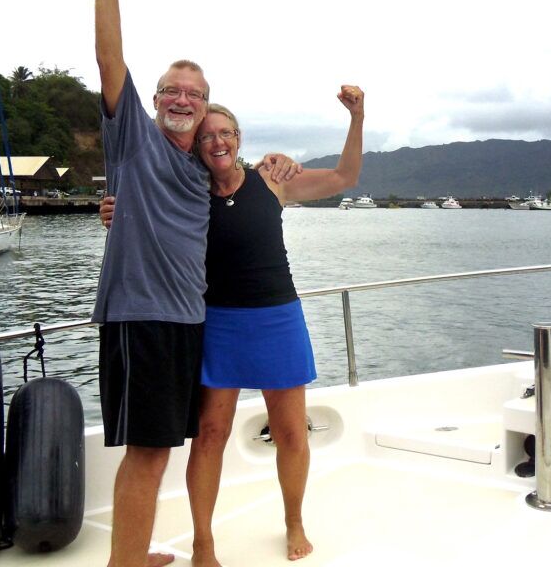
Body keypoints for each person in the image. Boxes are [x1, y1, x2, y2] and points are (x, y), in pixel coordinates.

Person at [91, 0, 299, 567]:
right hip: (143, 318)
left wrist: (281, 163)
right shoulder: (136, 142)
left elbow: (243, 203)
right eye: (171, 91)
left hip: (189, 324)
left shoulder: (202, 173)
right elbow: (109, 63)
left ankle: (132, 553)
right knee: (149, 454)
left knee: (161, 448)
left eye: (195, 94)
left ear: (208, 111)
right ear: (153, 102)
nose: (183, 99)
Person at [101, 84, 365, 565]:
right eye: (207, 137)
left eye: (225, 133)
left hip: (277, 318)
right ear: (197, 146)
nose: (216, 142)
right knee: (211, 435)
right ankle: (203, 544)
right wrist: (114, 211)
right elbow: (139, 206)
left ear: (239, 139)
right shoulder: (186, 189)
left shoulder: (273, 182)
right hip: (217, 322)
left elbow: (347, 176)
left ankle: (294, 523)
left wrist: (357, 117)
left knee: (291, 434)